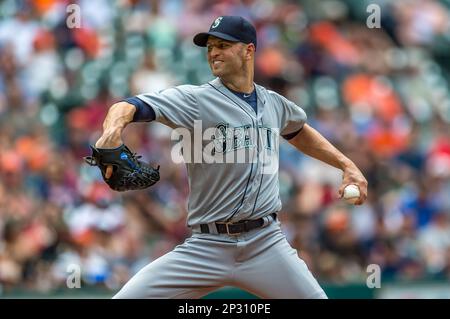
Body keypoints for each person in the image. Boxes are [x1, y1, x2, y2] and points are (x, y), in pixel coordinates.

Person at [94, 16, 368, 299]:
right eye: (210, 46)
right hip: (206, 247)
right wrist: (113, 130)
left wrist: (346, 165)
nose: (213, 52)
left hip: (265, 243)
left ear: (248, 51)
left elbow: (299, 131)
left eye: (223, 45)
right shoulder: (195, 100)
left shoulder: (274, 103)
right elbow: (128, 106)